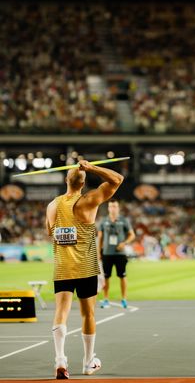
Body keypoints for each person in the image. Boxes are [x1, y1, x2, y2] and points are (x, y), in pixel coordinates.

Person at [46, 160, 124, 379]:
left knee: (60, 313)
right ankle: (88, 362)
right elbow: (117, 179)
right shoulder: (88, 200)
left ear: (66, 181)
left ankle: (60, 360)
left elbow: (49, 230)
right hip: (86, 267)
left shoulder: (52, 205)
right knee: (87, 313)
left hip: (62, 266)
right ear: (83, 183)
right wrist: (92, 168)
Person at [98, 200, 135, 309]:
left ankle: (124, 299)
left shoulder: (124, 220)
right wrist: (98, 252)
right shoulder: (104, 221)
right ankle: (105, 299)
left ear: (118, 208)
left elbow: (132, 235)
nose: (113, 208)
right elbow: (100, 237)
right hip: (107, 253)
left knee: (122, 276)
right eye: (111, 206)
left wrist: (125, 243)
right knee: (106, 277)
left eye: (115, 206)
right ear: (108, 208)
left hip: (120, 253)